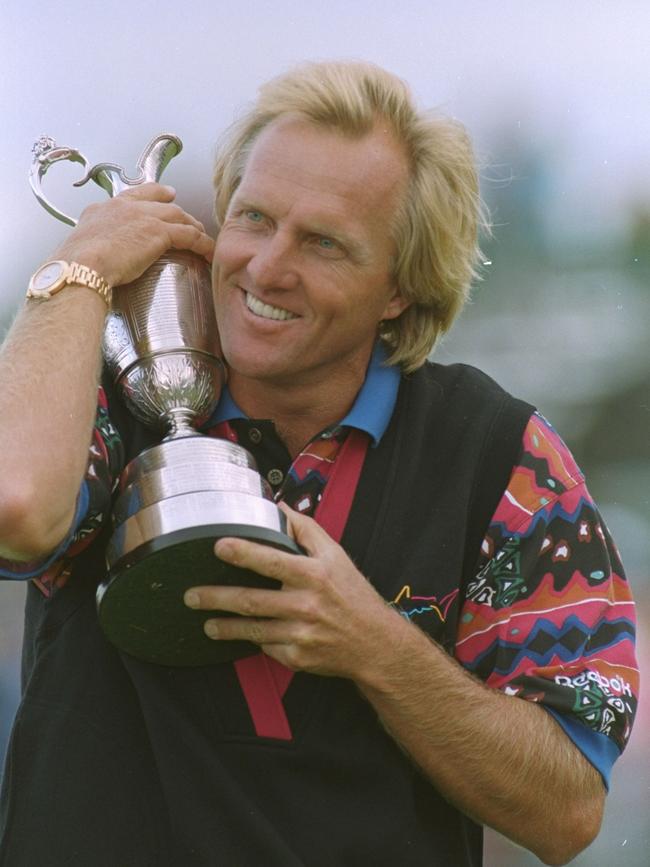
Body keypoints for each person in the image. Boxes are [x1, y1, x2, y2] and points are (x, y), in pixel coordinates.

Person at [0, 61, 638, 867]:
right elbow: (15, 509)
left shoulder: (502, 456)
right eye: (254, 217)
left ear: (401, 286)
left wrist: (374, 644)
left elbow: (569, 810)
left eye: (324, 243)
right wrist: (74, 277)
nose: (267, 267)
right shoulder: (100, 395)